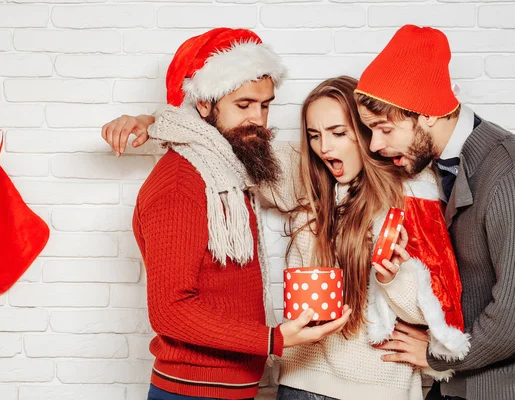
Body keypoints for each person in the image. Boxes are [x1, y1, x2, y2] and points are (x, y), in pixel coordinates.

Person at [115, 28, 350, 400]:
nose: (258, 118)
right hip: (192, 392)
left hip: (225, 389)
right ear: (205, 103)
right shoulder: (182, 183)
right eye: (243, 105)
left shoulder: (231, 167)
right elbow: (170, 310)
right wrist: (274, 339)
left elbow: (306, 170)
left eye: (266, 104)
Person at [355, 24, 515, 400]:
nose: (375, 145)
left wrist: (436, 354)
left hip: (505, 391)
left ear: (426, 113)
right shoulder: (435, 168)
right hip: (457, 384)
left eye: (384, 129)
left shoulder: (512, 173)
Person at [265, 76, 467, 399]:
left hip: (378, 390)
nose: (324, 147)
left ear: (366, 134)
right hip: (302, 383)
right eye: (314, 136)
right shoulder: (309, 180)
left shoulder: (408, 195)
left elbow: (430, 312)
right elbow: (239, 153)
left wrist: (392, 279)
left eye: (338, 133)